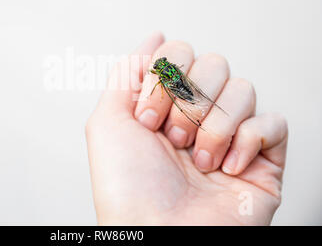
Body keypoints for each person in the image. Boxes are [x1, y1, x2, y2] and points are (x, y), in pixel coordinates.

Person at [85, 32, 288, 225]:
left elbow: (159, 83)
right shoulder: (165, 72)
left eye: (162, 64)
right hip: (179, 87)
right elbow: (159, 83)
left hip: (179, 86)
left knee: (190, 95)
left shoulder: (161, 74)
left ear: (165, 66)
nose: (160, 65)